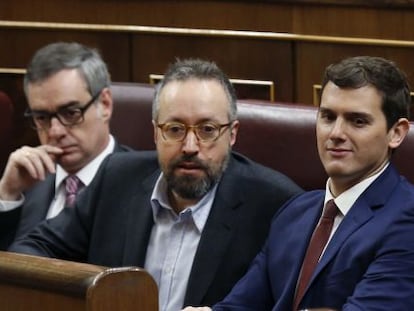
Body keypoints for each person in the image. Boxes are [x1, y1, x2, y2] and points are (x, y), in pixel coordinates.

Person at [9, 58, 303, 310]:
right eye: (174, 129)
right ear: (155, 132)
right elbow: (31, 251)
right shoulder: (116, 179)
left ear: (233, 134)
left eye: (207, 129)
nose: (190, 145)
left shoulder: (274, 205)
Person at [184, 56, 414, 311]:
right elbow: (241, 305)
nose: (336, 133)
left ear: (396, 133)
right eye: (328, 117)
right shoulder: (295, 212)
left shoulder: (406, 222)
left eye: (357, 121)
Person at [0, 42, 130, 249]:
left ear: (105, 104)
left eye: (70, 113)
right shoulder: (26, 186)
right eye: (42, 117)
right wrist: (7, 196)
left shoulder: (140, 189)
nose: (55, 132)